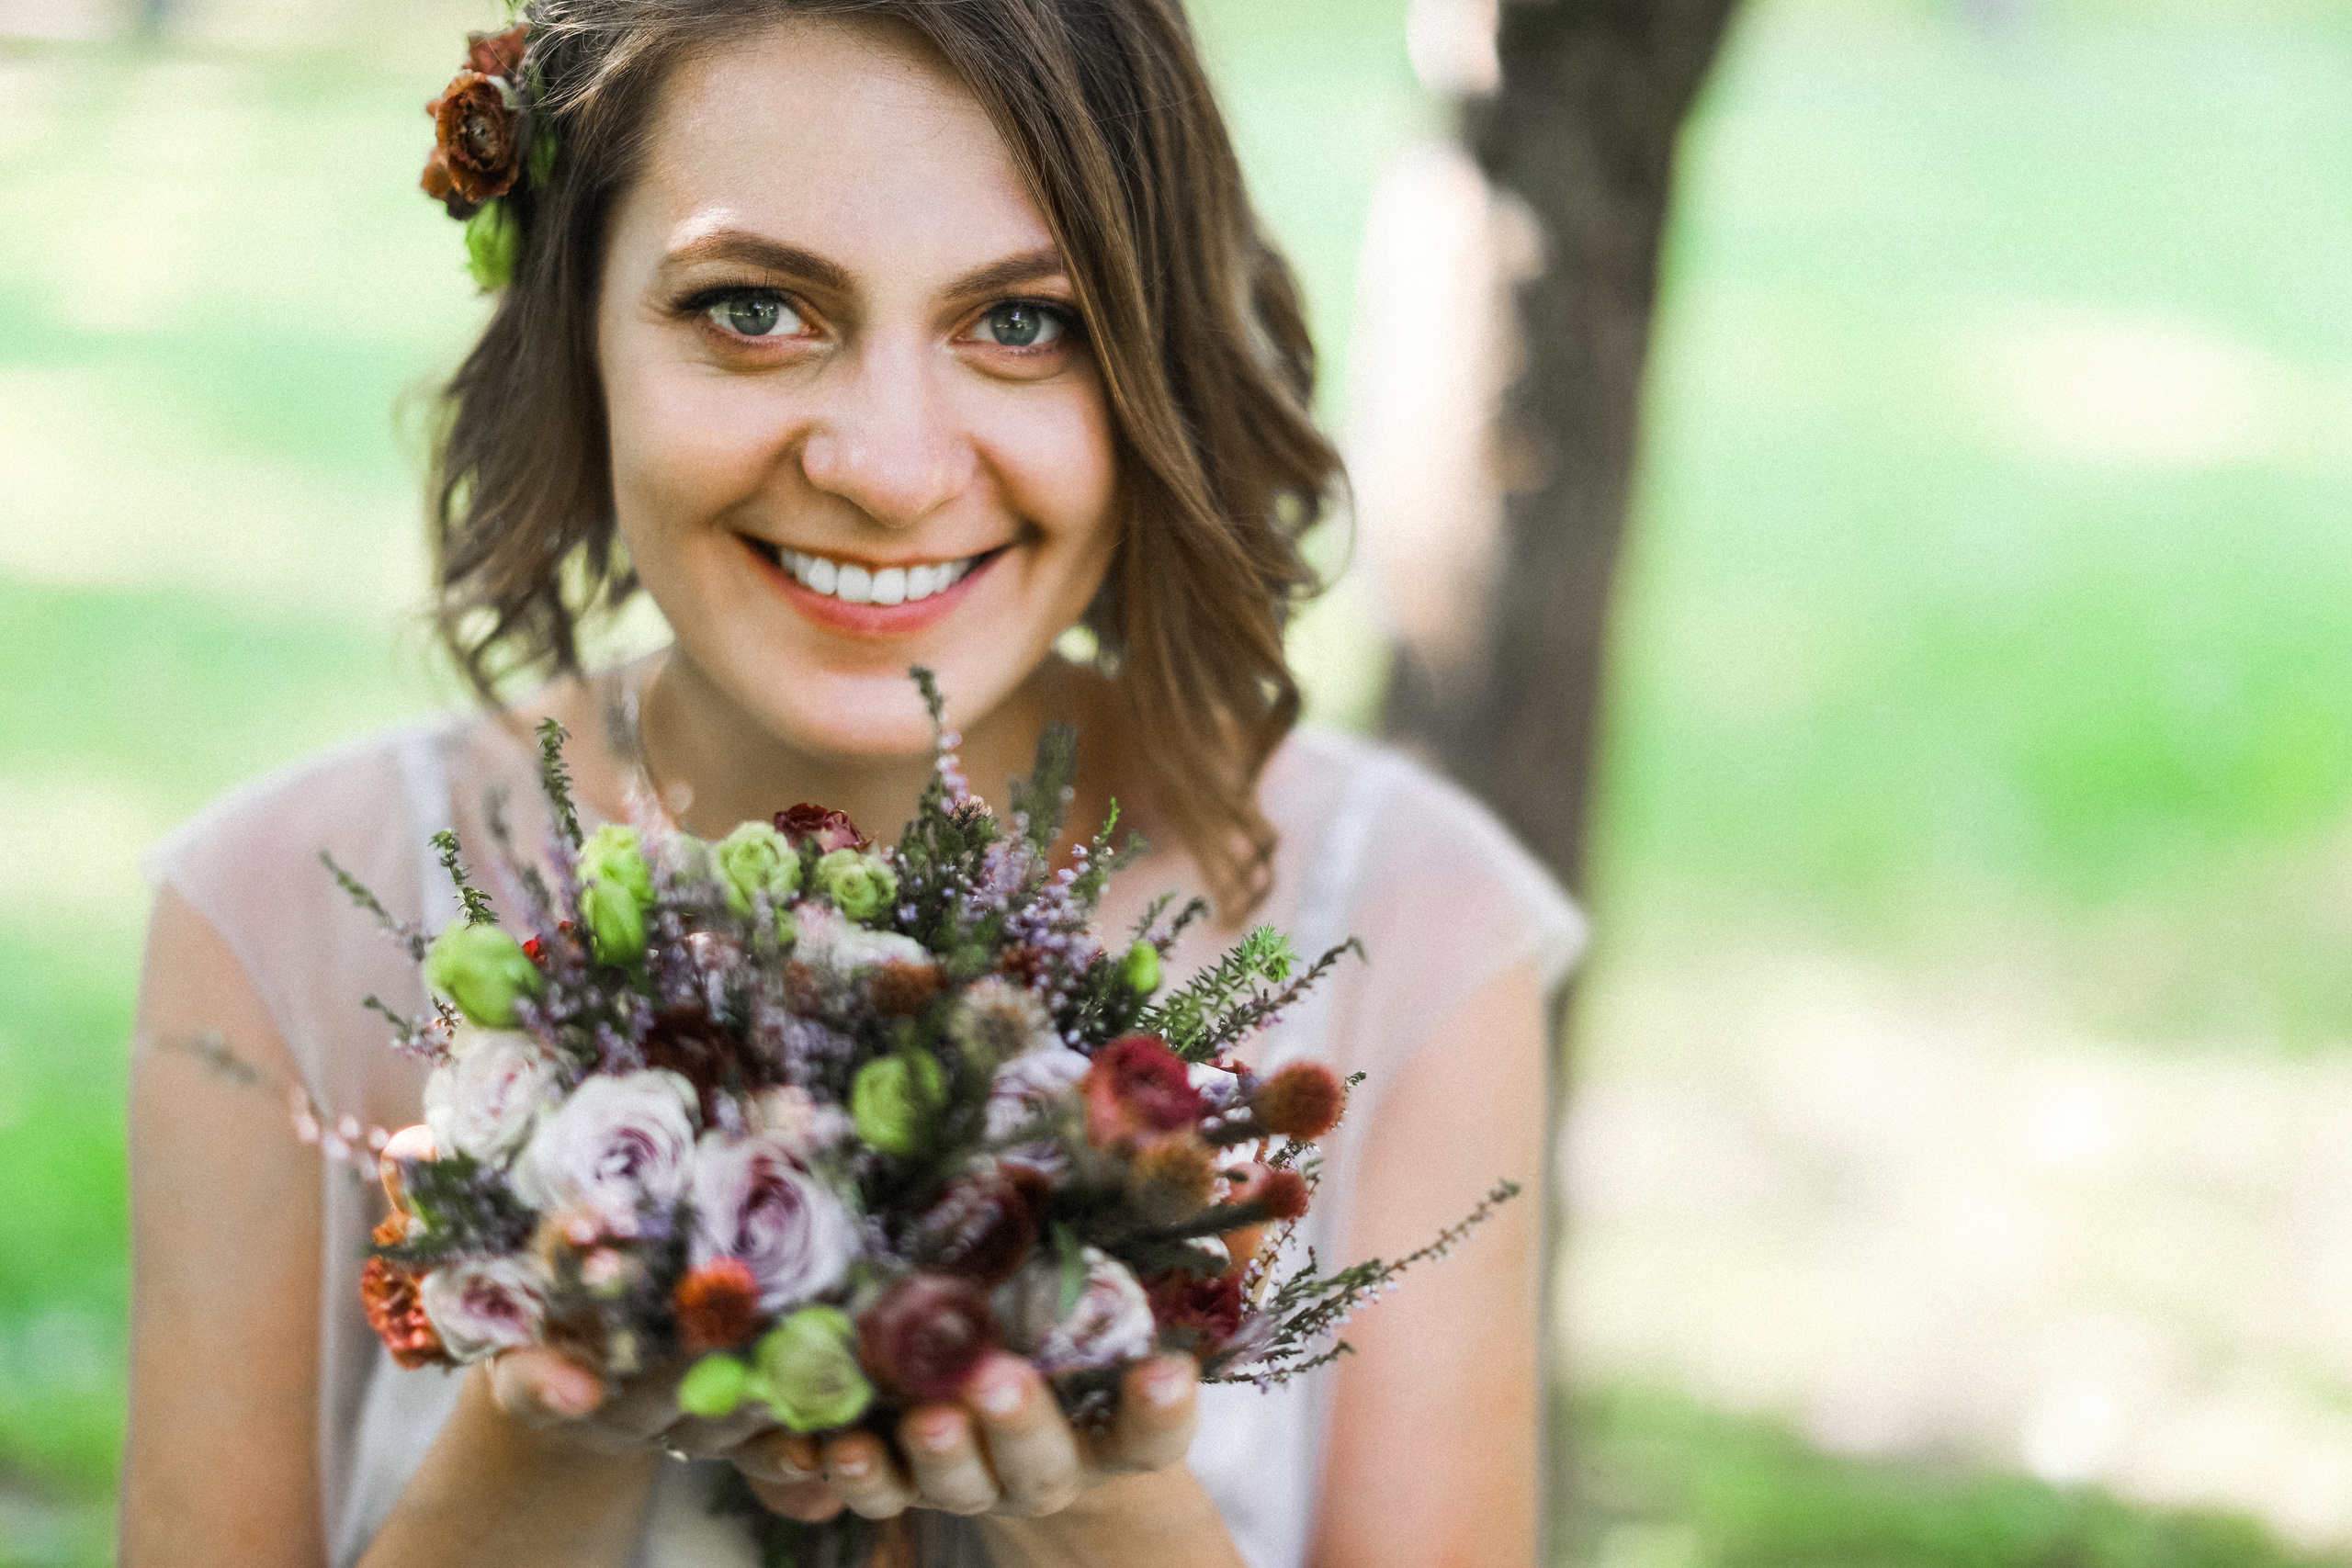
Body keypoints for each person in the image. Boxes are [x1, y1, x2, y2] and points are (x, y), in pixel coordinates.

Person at [119, 2, 1582, 1564]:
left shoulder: (1414, 927)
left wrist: (1092, 1492)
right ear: (576, 328)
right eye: (755, 307)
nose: (888, 467)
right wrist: (547, 1433)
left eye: (1023, 321)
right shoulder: (278, 916)